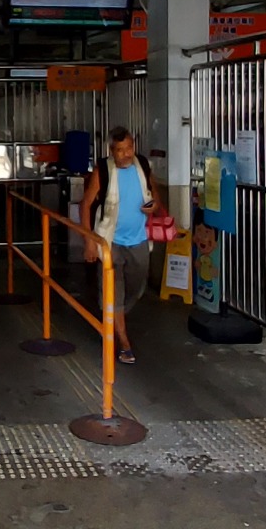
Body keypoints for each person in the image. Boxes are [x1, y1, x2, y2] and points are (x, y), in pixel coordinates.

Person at [81, 125, 161, 365]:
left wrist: (154, 205)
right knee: (113, 291)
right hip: (110, 242)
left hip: (138, 240)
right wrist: (90, 242)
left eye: (129, 148)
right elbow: (85, 205)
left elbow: (154, 194)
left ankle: (113, 315)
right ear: (111, 151)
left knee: (137, 287)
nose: (126, 154)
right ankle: (124, 342)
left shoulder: (143, 166)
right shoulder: (103, 171)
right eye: (120, 150)